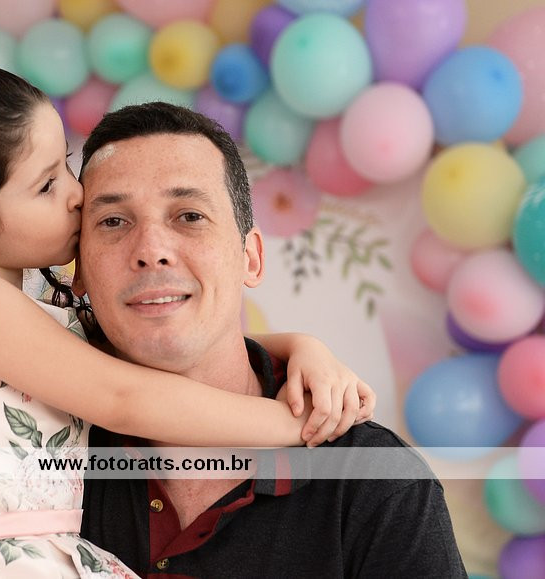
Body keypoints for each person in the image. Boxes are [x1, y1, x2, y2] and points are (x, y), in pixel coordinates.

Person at [0, 35, 375, 578]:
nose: (76, 194)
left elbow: (178, 341)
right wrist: (294, 424)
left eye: (64, 164)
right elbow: (124, 396)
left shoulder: (23, 310)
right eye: (46, 185)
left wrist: (303, 348)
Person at [76, 102, 467, 578]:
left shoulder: (375, 482)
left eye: (189, 216)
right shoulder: (37, 439)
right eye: (113, 221)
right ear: (79, 268)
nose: (151, 251)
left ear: (252, 259)